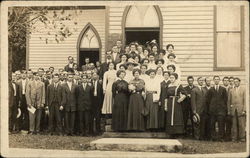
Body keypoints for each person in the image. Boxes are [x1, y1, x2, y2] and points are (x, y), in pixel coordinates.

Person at [206, 76, 227, 141]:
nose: (216, 80)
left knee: (221, 125)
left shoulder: (223, 89)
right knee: (212, 125)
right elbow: (208, 100)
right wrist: (210, 108)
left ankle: (221, 137)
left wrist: (223, 108)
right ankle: (213, 137)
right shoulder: (210, 90)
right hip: (212, 110)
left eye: (218, 79)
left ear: (219, 80)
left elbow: (225, 99)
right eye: (215, 79)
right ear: (213, 80)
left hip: (221, 111)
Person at [165, 73, 186, 137]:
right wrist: (166, 105)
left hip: (176, 103)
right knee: (170, 117)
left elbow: (185, 93)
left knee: (176, 117)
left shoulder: (179, 85)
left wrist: (180, 99)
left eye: (172, 78)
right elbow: (166, 96)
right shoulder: (168, 85)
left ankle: (177, 132)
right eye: (170, 78)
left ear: (175, 78)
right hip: (170, 102)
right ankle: (171, 132)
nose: (171, 79)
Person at [227, 77, 246, 142]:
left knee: (241, 125)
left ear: (239, 82)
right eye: (234, 82)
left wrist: (244, 110)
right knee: (234, 125)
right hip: (233, 110)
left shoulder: (243, 90)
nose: (235, 83)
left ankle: (242, 138)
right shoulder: (231, 90)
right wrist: (229, 110)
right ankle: (234, 138)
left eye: (237, 81)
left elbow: (245, 100)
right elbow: (229, 101)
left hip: (241, 110)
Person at [222, 76, 233, 141]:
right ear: (223, 82)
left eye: (227, 81)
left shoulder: (231, 89)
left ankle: (228, 136)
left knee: (229, 123)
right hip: (223, 109)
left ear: (228, 82)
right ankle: (223, 136)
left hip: (229, 108)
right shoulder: (221, 89)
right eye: (224, 80)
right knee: (222, 123)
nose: (226, 82)